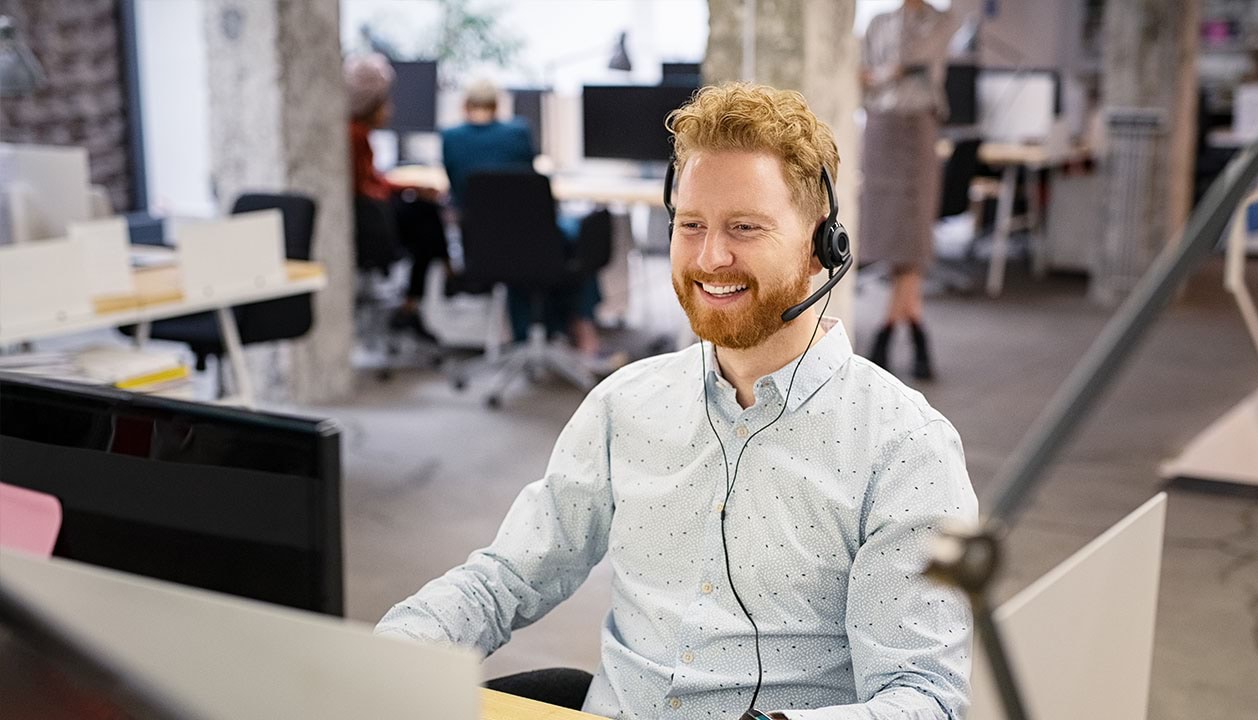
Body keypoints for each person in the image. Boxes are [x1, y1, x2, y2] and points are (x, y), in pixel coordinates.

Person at [377, 82, 978, 720]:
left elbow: (924, 700)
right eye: (691, 225)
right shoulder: (625, 405)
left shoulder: (903, 447)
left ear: (819, 246)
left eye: (744, 228)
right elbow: (507, 578)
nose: (711, 257)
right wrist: (384, 655)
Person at [441, 79, 603, 357]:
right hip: (531, 242)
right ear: (498, 105)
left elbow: (456, 192)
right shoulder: (518, 132)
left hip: (482, 248)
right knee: (575, 238)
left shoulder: (450, 137)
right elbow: (523, 185)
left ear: (464, 106)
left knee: (524, 253)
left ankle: (527, 335)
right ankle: (581, 327)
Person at [860, 0, 956, 380]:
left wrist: (886, 72)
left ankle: (886, 330)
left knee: (913, 236)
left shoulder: (940, 21)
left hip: (917, 130)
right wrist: (890, 73)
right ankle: (914, 324)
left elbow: (912, 58)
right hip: (880, 130)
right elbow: (862, 73)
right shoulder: (878, 21)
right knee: (889, 236)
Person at [345, 53, 447, 341]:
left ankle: (425, 291)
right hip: (373, 226)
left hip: (374, 215)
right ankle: (435, 284)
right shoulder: (355, 135)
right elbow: (367, 188)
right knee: (427, 215)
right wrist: (409, 188)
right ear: (371, 103)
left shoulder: (358, 133)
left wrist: (407, 186)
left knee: (425, 210)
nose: (391, 108)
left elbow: (373, 181)